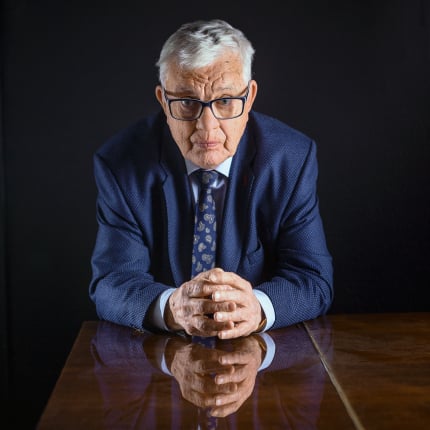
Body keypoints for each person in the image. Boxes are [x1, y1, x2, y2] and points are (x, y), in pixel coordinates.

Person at [89, 18, 333, 340]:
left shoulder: (291, 159)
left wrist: (258, 307)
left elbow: (313, 278)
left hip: (262, 356)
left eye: (225, 101)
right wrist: (172, 308)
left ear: (250, 98)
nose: (207, 127)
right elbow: (111, 282)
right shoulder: (121, 164)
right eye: (187, 103)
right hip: (161, 359)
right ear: (163, 101)